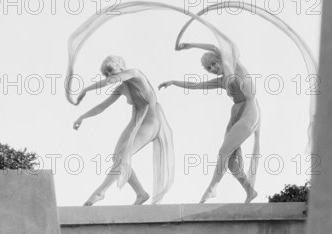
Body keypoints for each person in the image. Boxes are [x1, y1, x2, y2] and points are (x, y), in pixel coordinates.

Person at [159, 42, 260, 203]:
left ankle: (212, 188)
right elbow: (196, 85)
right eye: (209, 68)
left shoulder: (236, 67)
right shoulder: (221, 81)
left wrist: (191, 45)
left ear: (221, 60)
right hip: (235, 114)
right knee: (232, 162)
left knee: (223, 152)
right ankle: (249, 190)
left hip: (248, 111)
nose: (213, 68)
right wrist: (173, 82)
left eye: (214, 63)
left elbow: (214, 47)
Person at [74, 55, 174, 206]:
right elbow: (102, 106)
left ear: (121, 68)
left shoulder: (135, 73)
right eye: (107, 74)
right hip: (135, 122)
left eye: (112, 72)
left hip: (151, 122)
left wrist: (86, 89)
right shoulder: (121, 88)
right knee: (118, 158)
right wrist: (82, 117)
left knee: (122, 156)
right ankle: (141, 193)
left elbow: (110, 81)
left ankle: (100, 192)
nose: (110, 76)